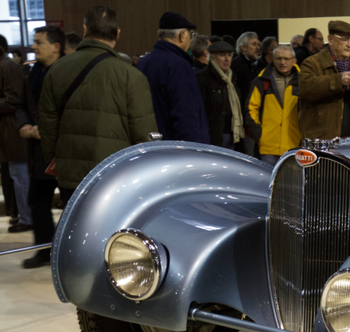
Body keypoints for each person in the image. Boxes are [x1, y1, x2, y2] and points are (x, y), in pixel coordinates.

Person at [38, 6, 157, 207]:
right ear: (117, 34)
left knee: (75, 231)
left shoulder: (56, 69)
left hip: (70, 174)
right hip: (114, 176)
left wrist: (59, 162)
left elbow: (47, 126)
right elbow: (144, 135)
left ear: (85, 30)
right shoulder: (131, 76)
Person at [15, 25, 64, 267]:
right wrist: (24, 125)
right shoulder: (34, 72)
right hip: (40, 152)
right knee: (38, 202)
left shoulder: (68, 71)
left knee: (73, 205)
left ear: (56, 47)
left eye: (38, 42)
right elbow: (21, 103)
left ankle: (69, 254)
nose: (33, 46)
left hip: (65, 152)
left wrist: (43, 130)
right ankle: (45, 250)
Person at [298, 20, 350, 140]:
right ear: (330, 40)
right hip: (322, 141)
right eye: (344, 39)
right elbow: (306, 89)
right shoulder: (312, 63)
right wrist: (338, 81)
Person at [137, 11, 209, 144]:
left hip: (149, 146)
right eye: (190, 35)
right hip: (175, 150)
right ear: (182, 35)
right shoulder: (179, 65)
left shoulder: (143, 62)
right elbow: (186, 116)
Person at [245, 45, 300, 167]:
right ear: (273, 60)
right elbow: (250, 109)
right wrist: (260, 135)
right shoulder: (261, 81)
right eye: (279, 58)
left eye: (286, 59)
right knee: (268, 183)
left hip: (294, 145)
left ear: (294, 61)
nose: (282, 62)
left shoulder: (303, 82)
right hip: (268, 146)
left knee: (292, 184)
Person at [0, 34, 31, 233]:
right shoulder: (4, 65)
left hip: (13, 129)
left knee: (19, 175)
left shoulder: (8, 66)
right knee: (15, 175)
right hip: (7, 129)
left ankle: (27, 217)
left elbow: (13, 99)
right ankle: (23, 214)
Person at [197, 41, 244, 150]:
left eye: (229, 55)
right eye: (222, 55)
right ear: (212, 57)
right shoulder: (203, 78)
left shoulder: (232, 77)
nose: (227, 59)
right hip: (213, 135)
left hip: (232, 134)